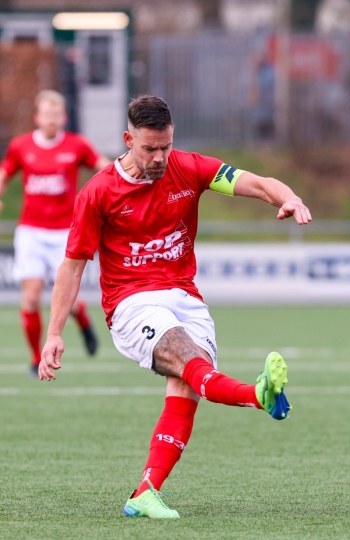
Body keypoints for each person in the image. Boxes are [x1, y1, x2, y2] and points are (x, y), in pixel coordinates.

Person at [37, 95, 312, 519]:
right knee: (188, 359)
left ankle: (145, 491)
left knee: (190, 385)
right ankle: (259, 395)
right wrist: (54, 332)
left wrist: (287, 197)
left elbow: (255, 182)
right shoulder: (99, 192)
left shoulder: (189, 167)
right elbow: (73, 267)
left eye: (165, 146)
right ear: (129, 139)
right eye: (149, 148)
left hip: (186, 297)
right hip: (131, 304)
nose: (160, 157)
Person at [0, 89, 110, 377]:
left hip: (64, 233)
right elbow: (5, 172)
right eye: (45, 114)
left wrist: (122, 179)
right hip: (31, 233)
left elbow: (104, 168)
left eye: (56, 114)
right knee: (32, 297)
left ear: (64, 117)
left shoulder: (76, 146)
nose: (50, 119)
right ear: (37, 117)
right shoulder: (21, 145)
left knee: (65, 300)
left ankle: (83, 319)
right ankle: (37, 359)